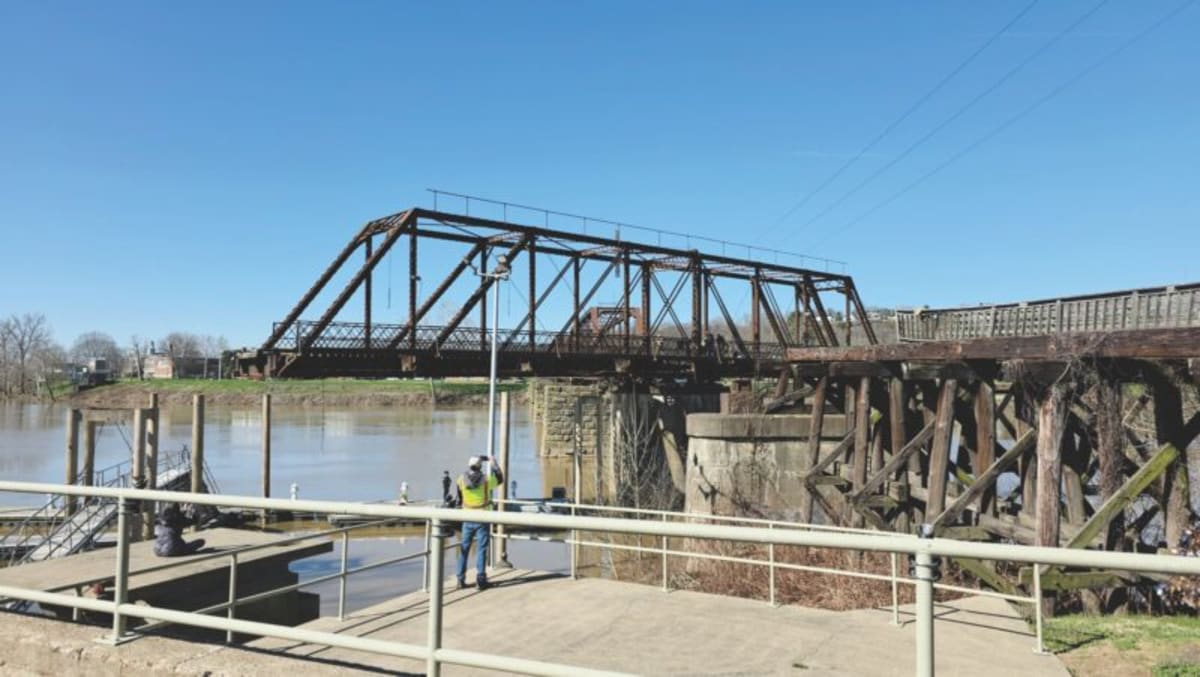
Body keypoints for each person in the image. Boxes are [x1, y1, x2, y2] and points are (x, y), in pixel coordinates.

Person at [453, 455, 503, 590]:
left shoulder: (461, 480)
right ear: (480, 466)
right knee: (481, 549)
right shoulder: (486, 480)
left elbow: (459, 498)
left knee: (464, 549)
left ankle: (460, 579)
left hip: (467, 517)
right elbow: (500, 478)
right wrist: (494, 463)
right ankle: (480, 581)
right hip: (482, 517)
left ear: (469, 466)